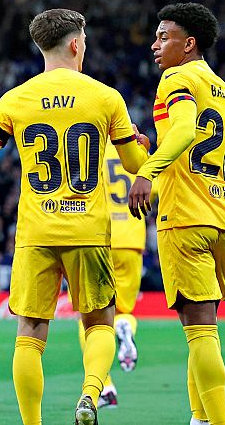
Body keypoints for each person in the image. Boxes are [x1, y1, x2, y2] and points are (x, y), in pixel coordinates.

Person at [0, 9, 149, 425]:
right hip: (88, 230)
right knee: (100, 321)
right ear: (75, 44)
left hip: (36, 231)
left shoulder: (15, 98)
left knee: (29, 334)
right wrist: (138, 142)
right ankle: (90, 394)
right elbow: (137, 165)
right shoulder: (106, 97)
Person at [129, 3, 225, 425]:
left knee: (200, 331)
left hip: (187, 217)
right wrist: (152, 148)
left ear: (188, 43)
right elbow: (192, 143)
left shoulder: (175, 77)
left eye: (164, 36)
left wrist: (146, 171)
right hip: (224, 215)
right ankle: (199, 417)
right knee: (203, 328)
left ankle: (220, 421)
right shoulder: (222, 86)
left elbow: (186, 130)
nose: (155, 44)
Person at [78, 141, 148, 410]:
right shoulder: (136, 150)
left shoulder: (90, 146)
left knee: (90, 319)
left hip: (100, 238)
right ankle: (126, 328)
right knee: (125, 310)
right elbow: (155, 188)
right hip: (132, 240)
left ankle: (104, 386)